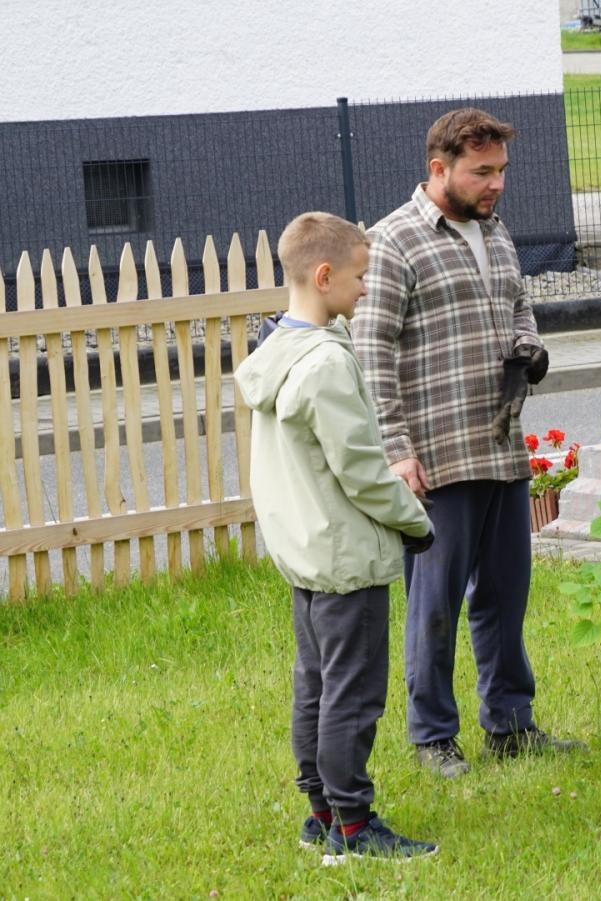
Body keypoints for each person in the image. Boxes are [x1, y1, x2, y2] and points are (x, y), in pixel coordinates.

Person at [352, 107, 583, 778]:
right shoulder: (392, 241)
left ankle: (510, 723)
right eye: (482, 172)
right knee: (434, 605)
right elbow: (372, 354)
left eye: (501, 170)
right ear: (439, 168)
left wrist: (529, 346)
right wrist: (397, 451)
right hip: (436, 456)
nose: (496, 184)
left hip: (501, 446)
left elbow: (518, 307)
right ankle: (432, 736)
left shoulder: (496, 231)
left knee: (505, 597)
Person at [236, 212, 438, 863]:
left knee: (317, 687)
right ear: (323, 276)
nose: (367, 288)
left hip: (306, 555)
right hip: (347, 559)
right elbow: (363, 471)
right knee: (352, 695)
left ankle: (320, 813)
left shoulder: (279, 349)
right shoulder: (323, 364)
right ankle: (353, 827)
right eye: (359, 276)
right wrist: (415, 520)